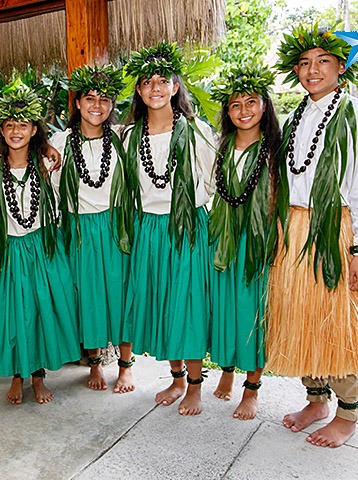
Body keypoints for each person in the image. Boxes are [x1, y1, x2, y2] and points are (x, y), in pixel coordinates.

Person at [267, 23, 358, 447]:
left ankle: (348, 413)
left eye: (323, 61)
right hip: (294, 229)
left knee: (340, 324)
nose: (313, 70)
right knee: (304, 319)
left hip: (336, 229)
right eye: (305, 63)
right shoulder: (293, 118)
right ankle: (316, 399)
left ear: (340, 66)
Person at [122, 41, 216, 415]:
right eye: (147, 82)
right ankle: (175, 379)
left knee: (187, 303)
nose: (156, 88)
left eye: (164, 81)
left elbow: (210, 181)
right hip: (148, 228)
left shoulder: (196, 131)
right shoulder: (130, 136)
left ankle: (194, 384)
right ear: (140, 91)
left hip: (186, 226)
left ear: (176, 87)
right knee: (163, 302)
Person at [0, 88, 80, 404]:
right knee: (16, 312)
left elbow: (59, 203)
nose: (16, 131)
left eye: (23, 125)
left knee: (40, 311)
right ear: (1, 130)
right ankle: (17, 375)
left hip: (42, 245)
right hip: (12, 248)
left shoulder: (46, 164)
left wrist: (51, 151)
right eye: (9, 125)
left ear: (34, 129)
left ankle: (37, 378)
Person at [50, 64, 139, 394]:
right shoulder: (60, 142)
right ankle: (95, 363)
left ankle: (126, 366)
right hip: (78, 228)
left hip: (115, 225)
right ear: (77, 103)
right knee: (86, 295)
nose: (97, 105)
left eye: (104, 99)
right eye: (90, 98)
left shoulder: (121, 138)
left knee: (120, 293)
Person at [207, 64, 281, 419]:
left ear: (264, 105)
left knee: (253, 312)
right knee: (225, 309)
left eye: (251, 102)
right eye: (235, 105)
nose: (244, 111)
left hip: (258, 241)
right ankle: (226, 371)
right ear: (227, 111)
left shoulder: (275, 150)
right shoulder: (221, 146)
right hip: (224, 239)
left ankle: (252, 387)